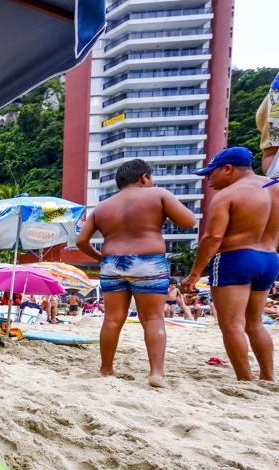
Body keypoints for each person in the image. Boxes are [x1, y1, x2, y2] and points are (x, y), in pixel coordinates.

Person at [77, 158, 196, 387]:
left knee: (112, 319)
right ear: (144, 178)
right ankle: (156, 374)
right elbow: (188, 221)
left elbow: (81, 240)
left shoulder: (102, 207)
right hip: (149, 261)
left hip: (112, 263)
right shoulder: (158, 194)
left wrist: (100, 257)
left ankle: (106, 368)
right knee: (153, 319)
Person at [181, 147, 279, 380]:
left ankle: (245, 379)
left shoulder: (228, 194)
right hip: (269, 258)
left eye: (211, 173)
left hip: (235, 257)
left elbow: (213, 237)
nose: (208, 179)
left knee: (232, 325)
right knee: (255, 323)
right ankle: (268, 376)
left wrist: (194, 275)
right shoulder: (275, 188)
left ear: (228, 169)